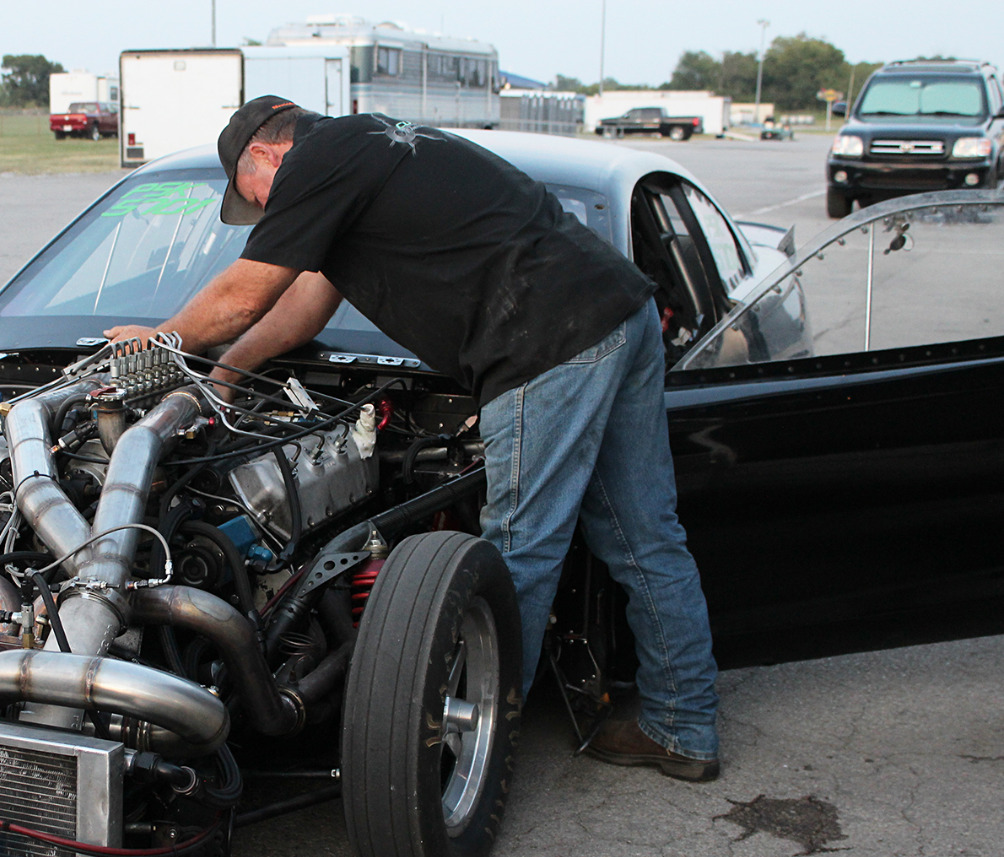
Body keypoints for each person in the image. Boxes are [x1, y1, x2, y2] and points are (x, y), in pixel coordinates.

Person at [104, 97, 721, 781]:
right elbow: (305, 303)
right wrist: (226, 371)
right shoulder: (369, 149)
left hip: (544, 341)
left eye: (254, 200)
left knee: (516, 553)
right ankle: (683, 725)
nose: (265, 215)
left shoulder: (316, 159)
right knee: (644, 538)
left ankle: (461, 765)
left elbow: (246, 294)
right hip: (618, 312)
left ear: (264, 155)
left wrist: (162, 343)